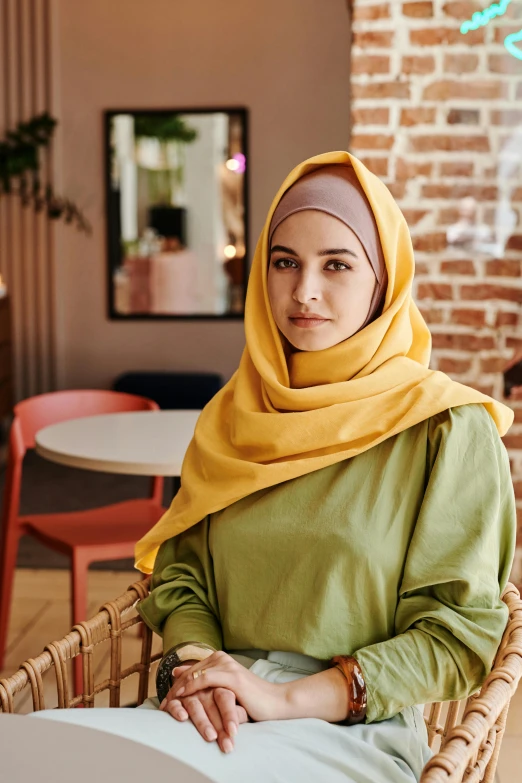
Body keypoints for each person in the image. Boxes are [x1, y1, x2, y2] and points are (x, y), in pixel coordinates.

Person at [35, 152, 516, 783]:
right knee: (33, 755)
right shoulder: (232, 415)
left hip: (348, 729)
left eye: (337, 264)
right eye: (284, 261)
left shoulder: (446, 427)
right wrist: (204, 667)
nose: (303, 291)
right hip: (209, 710)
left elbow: (457, 637)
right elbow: (185, 583)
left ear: (383, 280)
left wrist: (284, 699)